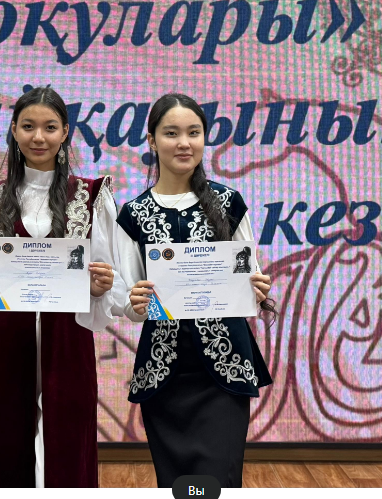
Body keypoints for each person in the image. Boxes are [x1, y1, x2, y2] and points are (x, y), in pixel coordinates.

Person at [0, 86, 124, 488]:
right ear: (14, 130)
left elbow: (112, 277)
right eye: (28, 126)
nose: (39, 137)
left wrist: (101, 285)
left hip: (68, 338)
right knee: (5, 439)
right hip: (7, 339)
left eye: (50, 127)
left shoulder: (91, 196)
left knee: (67, 441)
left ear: (65, 132)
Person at [116, 93, 275, 489]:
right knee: (177, 485)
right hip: (163, 371)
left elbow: (249, 271)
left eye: (194, 133)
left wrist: (257, 287)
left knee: (215, 481)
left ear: (205, 138)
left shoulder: (229, 202)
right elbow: (128, 299)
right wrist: (134, 302)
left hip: (223, 366)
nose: (184, 143)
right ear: (152, 141)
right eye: (171, 133)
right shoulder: (132, 215)